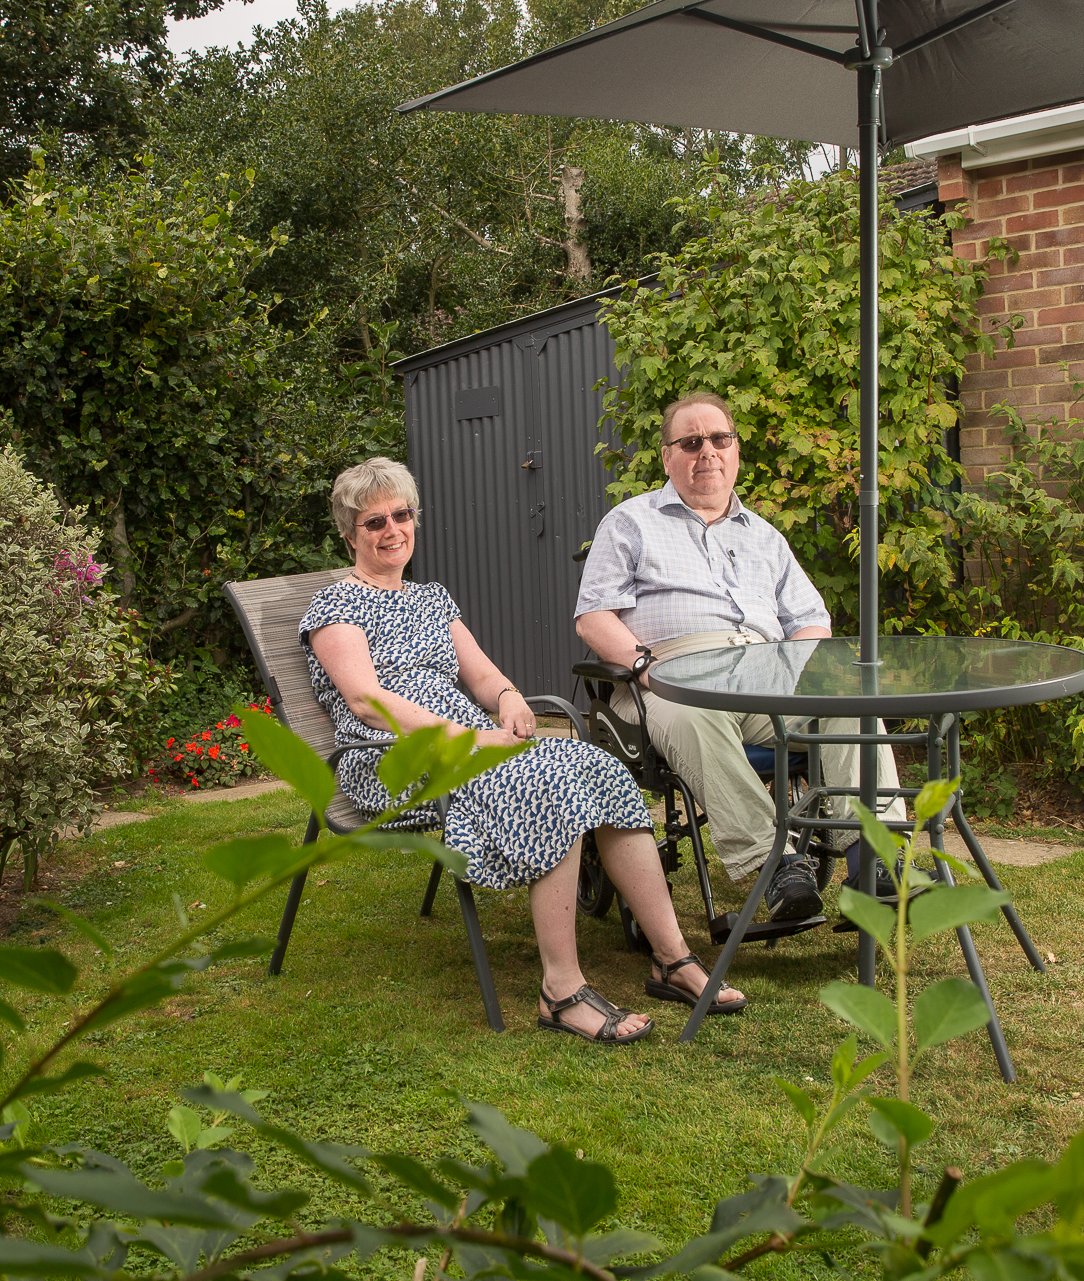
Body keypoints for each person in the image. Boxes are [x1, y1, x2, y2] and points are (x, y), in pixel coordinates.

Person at [301, 456, 744, 1044]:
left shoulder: (431, 598)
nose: (391, 531)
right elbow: (364, 700)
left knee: (598, 767)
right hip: (392, 755)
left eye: (401, 515)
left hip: (470, 748)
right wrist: (464, 737)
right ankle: (561, 992)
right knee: (551, 782)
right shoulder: (336, 606)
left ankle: (671, 956)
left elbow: (481, 678)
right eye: (374, 522)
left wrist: (508, 697)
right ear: (350, 533)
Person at [574, 392, 903, 922]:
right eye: (691, 442)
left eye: (719, 439)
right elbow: (593, 616)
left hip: (764, 676)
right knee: (695, 715)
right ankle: (777, 868)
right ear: (667, 457)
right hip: (667, 679)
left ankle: (878, 862)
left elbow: (811, 619)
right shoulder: (631, 522)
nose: (707, 452)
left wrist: (792, 667)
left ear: (736, 451)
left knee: (849, 703)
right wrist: (644, 666)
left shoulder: (765, 537)